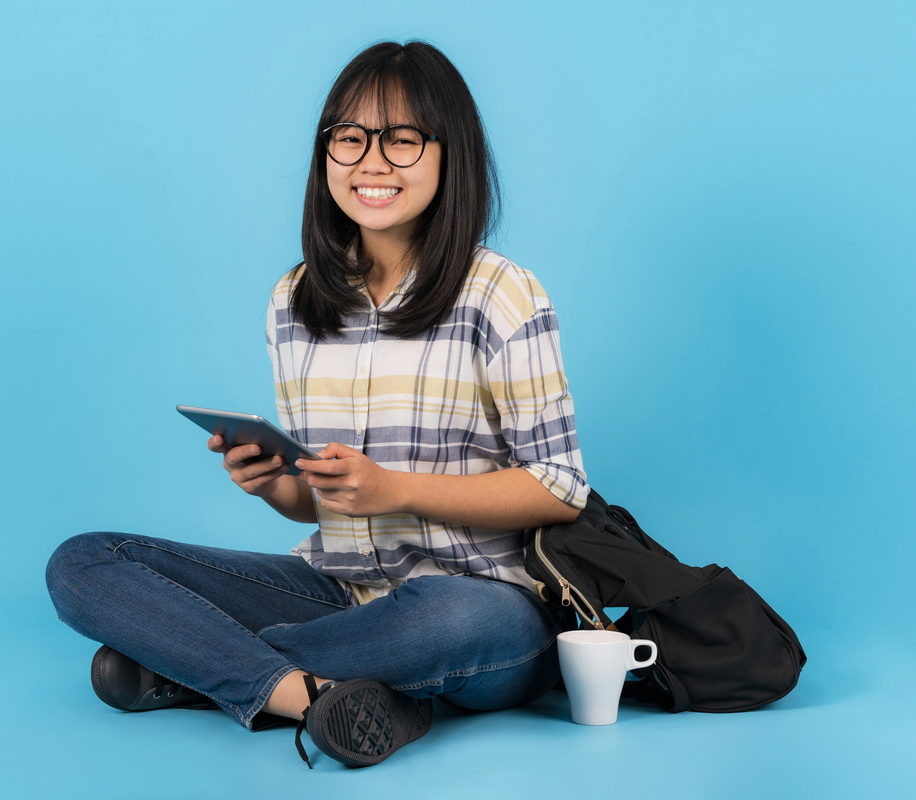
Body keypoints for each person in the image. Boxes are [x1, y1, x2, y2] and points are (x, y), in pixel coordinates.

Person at [45, 40, 588, 769]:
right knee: (84, 561)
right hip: (335, 593)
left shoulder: (501, 295)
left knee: (452, 617)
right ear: (325, 152)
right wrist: (279, 484)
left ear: (447, 152)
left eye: (401, 139)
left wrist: (393, 490)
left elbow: (558, 489)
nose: (371, 161)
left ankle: (191, 665)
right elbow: (321, 506)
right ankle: (307, 694)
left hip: (482, 607)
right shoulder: (294, 301)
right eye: (350, 137)